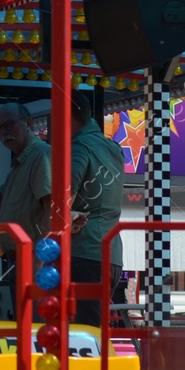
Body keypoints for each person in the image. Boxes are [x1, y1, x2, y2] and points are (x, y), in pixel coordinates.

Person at [69, 88, 125, 328]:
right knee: (94, 327)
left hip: (84, 251)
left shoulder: (80, 148)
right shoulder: (113, 149)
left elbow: (64, 196)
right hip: (111, 251)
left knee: (84, 332)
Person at [0, 102, 53, 275]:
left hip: (33, 260)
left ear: (28, 123)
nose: (4, 132)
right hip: (19, 258)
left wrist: (38, 259)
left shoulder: (40, 155)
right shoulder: (19, 164)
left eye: (9, 124)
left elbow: (54, 210)